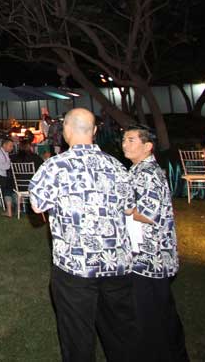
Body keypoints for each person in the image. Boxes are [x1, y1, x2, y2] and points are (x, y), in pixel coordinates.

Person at [29, 108, 139, 361]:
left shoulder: (55, 166)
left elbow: (37, 206)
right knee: (121, 335)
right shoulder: (116, 166)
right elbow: (130, 207)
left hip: (75, 269)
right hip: (117, 265)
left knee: (78, 338)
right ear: (96, 131)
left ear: (66, 130)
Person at [122, 124, 189, 362]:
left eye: (131, 140)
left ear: (147, 146)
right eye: (124, 140)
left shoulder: (147, 173)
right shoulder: (138, 170)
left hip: (151, 256)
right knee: (159, 311)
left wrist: (124, 209)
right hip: (147, 255)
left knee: (152, 314)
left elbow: (147, 213)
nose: (125, 144)